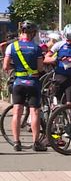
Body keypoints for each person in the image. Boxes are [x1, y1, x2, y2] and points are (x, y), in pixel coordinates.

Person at [2, 21, 45, 151]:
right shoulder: (37, 48)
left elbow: (5, 66)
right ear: (32, 33)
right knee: (35, 112)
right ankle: (36, 142)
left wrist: (15, 68)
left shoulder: (12, 47)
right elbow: (40, 68)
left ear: (21, 32)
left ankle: (16, 142)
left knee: (17, 112)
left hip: (19, 82)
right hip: (33, 83)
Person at [44, 24, 71, 104]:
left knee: (70, 104)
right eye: (68, 39)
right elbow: (45, 58)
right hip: (59, 76)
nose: (69, 41)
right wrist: (58, 59)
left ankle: (69, 116)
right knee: (56, 103)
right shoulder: (58, 45)